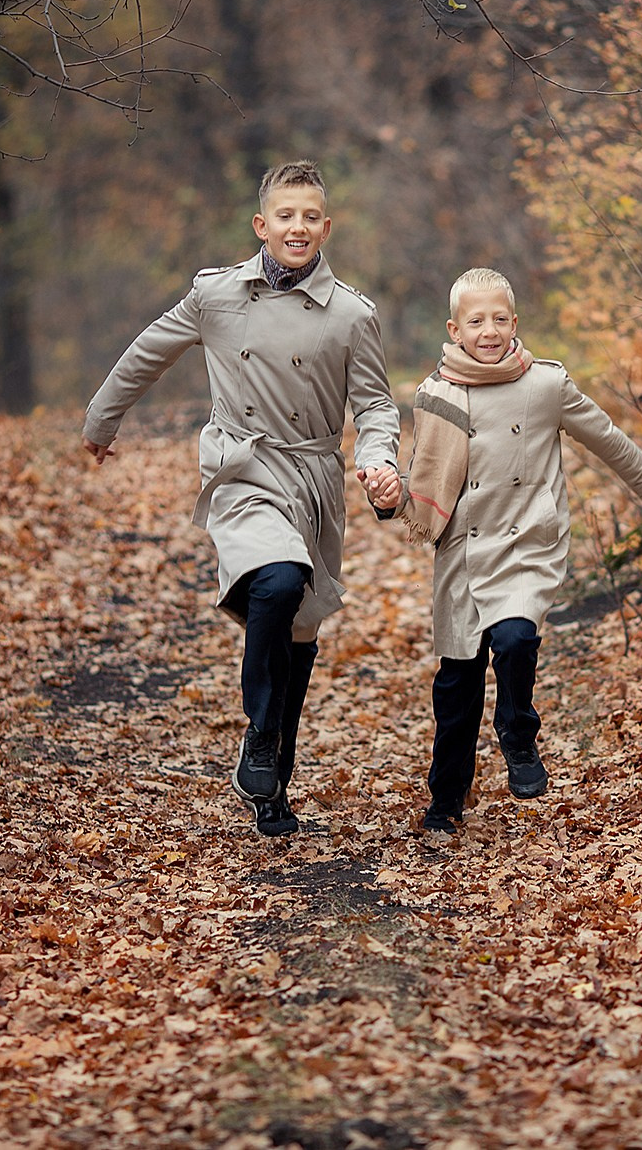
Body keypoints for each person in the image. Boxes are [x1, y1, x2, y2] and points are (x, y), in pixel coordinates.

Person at [83, 161, 399, 837]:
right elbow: (149, 351)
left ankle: (273, 779)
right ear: (262, 224)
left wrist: (378, 461)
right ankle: (260, 730)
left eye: (310, 216)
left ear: (326, 228)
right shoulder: (218, 295)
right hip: (243, 467)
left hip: (313, 477)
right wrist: (101, 421)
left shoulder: (352, 314)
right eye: (285, 215)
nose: (297, 227)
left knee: (300, 633)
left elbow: (375, 404)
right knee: (278, 580)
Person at [361, 268, 642, 833]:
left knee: (514, 639)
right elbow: (426, 481)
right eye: (475, 321)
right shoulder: (436, 394)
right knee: (457, 686)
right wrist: (389, 498)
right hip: (462, 551)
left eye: (498, 319)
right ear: (455, 330)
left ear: (514, 323)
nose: (488, 331)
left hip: (525, 544)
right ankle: (446, 799)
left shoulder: (545, 385)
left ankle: (517, 730)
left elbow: (608, 439)